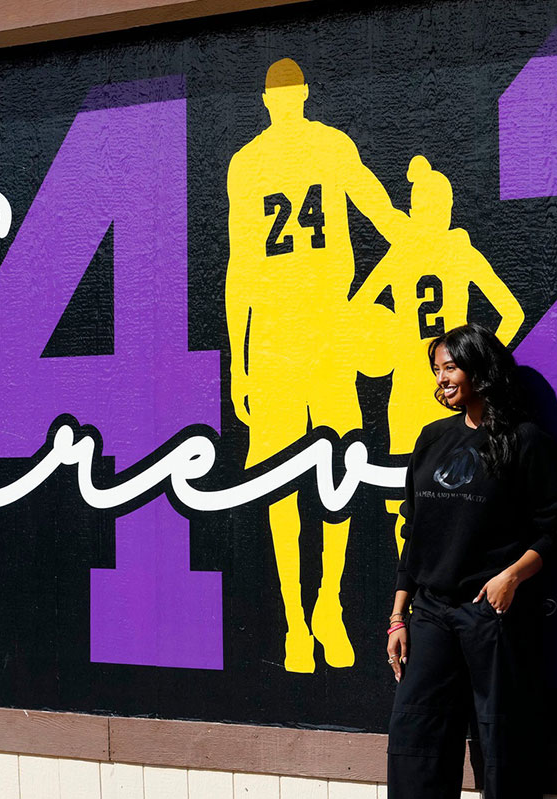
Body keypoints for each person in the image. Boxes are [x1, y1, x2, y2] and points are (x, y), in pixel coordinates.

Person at [225, 57, 406, 672]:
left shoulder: (266, 159)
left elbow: (239, 274)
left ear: (277, 96)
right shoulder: (291, 154)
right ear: (289, 95)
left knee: (333, 473)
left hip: (312, 330)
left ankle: (321, 609)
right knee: (297, 479)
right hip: (289, 334)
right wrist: (241, 364)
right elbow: (243, 268)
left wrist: (239, 361)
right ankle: (298, 622)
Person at [385, 324, 557, 799]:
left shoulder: (526, 442)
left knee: (500, 739)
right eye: (436, 370)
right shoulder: (431, 439)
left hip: (491, 613)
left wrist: (510, 577)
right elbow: (415, 530)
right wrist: (398, 614)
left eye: (450, 368)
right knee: (416, 737)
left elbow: (552, 529)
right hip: (431, 611)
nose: (441, 380)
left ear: (480, 371)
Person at [353, 157, 524, 556]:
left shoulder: (401, 254)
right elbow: (511, 312)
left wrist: (389, 339)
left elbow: (358, 308)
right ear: (445, 211)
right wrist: (480, 364)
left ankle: (413, 589)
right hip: (449, 395)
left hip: (412, 392)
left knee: (406, 501)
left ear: (415, 210)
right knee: (451, 494)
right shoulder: (457, 250)